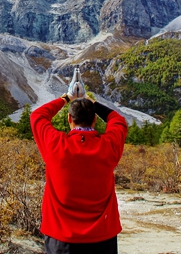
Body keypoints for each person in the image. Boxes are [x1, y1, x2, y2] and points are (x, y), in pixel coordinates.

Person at [31, 69, 128, 254]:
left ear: (69, 119)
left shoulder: (55, 145)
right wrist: (90, 100)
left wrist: (67, 97)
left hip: (61, 239)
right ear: (94, 121)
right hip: (102, 238)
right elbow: (118, 120)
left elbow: (37, 116)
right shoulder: (108, 146)